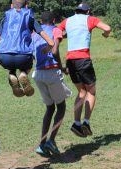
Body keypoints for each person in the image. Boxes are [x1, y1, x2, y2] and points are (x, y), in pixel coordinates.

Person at [58, 2, 111, 137]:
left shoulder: (67, 21)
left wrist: (64, 36)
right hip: (83, 58)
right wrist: (106, 34)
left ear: (76, 11)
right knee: (91, 91)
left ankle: (76, 123)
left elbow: (58, 32)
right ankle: (86, 122)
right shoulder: (90, 19)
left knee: (81, 92)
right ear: (88, 12)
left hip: (70, 60)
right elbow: (107, 27)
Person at [0, 0, 54, 97]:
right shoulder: (30, 17)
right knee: (26, 65)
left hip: (5, 57)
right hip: (23, 57)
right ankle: (23, 73)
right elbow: (51, 42)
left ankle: (12, 74)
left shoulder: (5, 18)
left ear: (11, 6)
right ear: (26, 6)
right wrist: (46, 49)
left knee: (10, 64)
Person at [32, 11, 72, 157]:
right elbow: (54, 51)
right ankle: (51, 141)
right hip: (51, 72)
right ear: (54, 20)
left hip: (38, 73)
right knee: (61, 107)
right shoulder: (56, 30)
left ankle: (42, 144)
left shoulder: (35, 33)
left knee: (49, 108)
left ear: (41, 22)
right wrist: (61, 67)